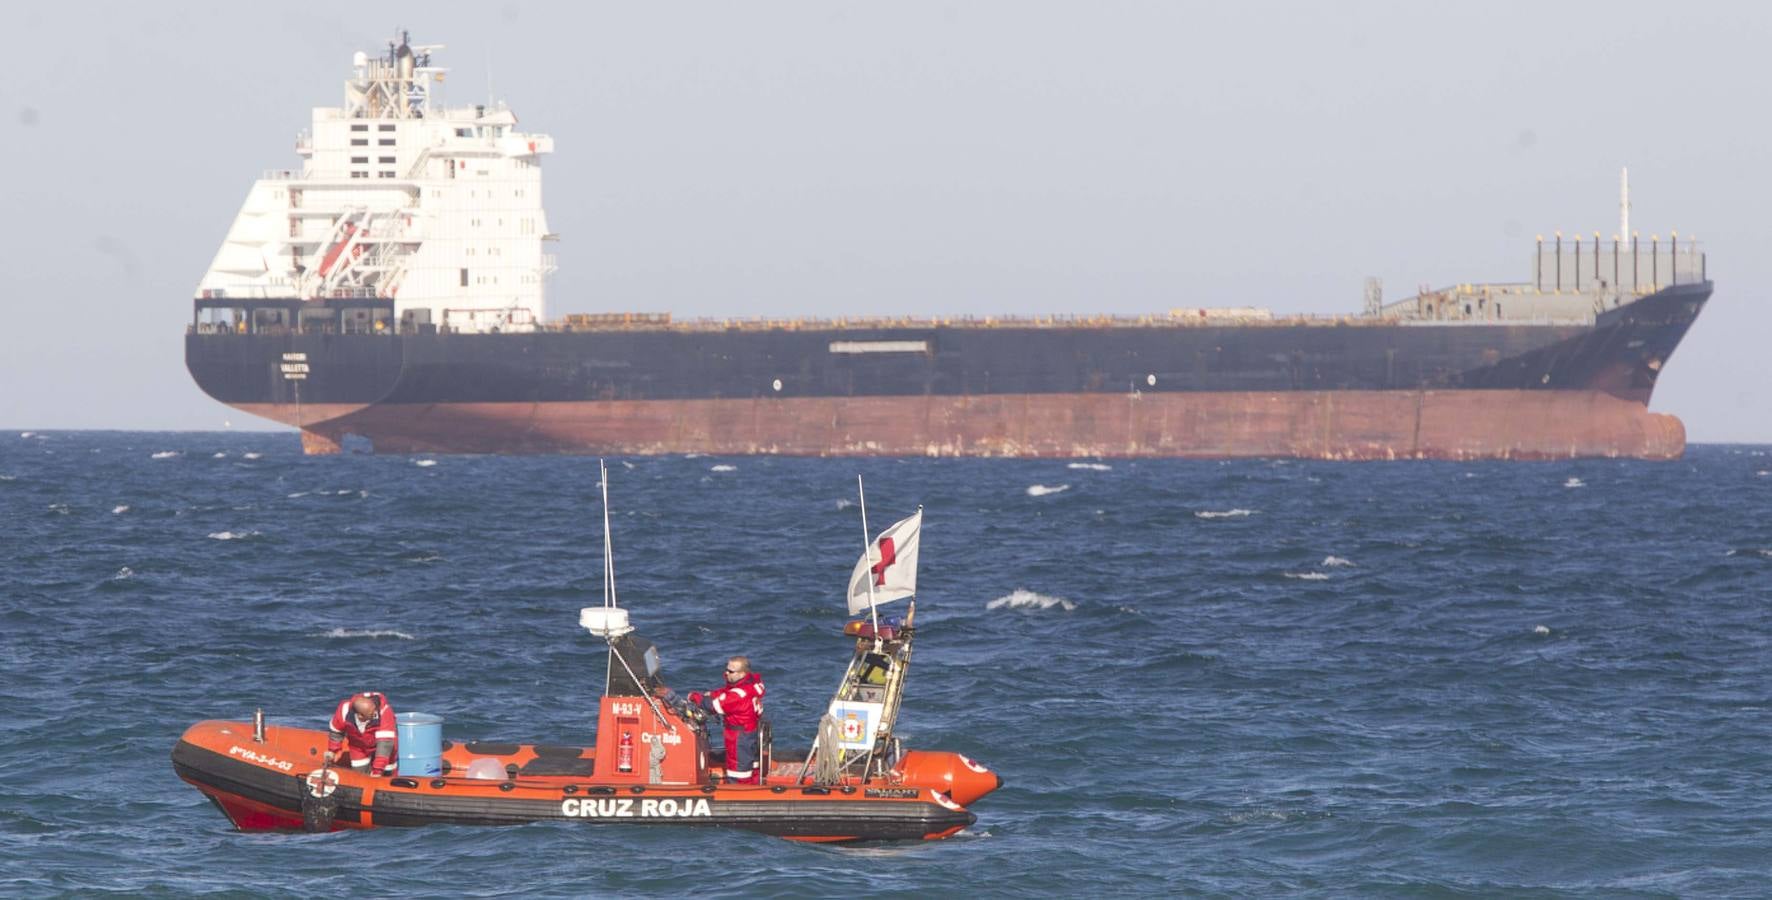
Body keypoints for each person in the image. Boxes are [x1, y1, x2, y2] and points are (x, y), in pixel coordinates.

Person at [688, 656, 766, 784]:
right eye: (726, 670)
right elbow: (728, 692)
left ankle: (739, 792)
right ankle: (754, 783)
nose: (726, 673)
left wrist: (694, 697)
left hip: (738, 736)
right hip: (751, 730)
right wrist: (713, 694)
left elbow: (713, 706)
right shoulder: (753, 684)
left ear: (742, 673)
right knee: (751, 764)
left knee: (738, 770)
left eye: (731, 672)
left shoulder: (738, 695)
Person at [326, 691, 398, 777]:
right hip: (358, 746)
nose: (375, 714)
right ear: (360, 716)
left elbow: (385, 745)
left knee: (387, 771)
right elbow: (336, 731)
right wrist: (333, 750)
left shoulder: (384, 712)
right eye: (371, 714)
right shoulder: (343, 711)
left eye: (375, 710)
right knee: (359, 773)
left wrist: (377, 771)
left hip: (383, 744)